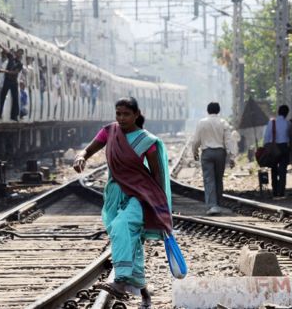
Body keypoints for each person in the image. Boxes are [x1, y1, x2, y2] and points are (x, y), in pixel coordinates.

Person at [73, 97, 172, 306]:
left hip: (140, 196)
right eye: (118, 113)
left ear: (136, 114)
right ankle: (144, 290)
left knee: (121, 226)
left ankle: (120, 279)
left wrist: (158, 208)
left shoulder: (147, 141)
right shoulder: (110, 131)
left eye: (126, 114)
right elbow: (89, 150)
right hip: (115, 194)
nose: (121, 118)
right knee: (128, 239)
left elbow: (157, 176)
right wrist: (81, 157)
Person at [192, 102, 235, 215]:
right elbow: (228, 140)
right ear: (218, 110)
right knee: (218, 179)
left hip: (207, 153)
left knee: (208, 179)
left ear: (208, 110)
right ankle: (219, 203)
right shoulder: (223, 123)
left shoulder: (202, 123)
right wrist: (231, 156)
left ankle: (212, 205)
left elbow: (196, 140)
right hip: (220, 153)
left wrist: (195, 151)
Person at [263, 104, 291, 198]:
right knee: (283, 170)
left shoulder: (272, 122)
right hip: (284, 147)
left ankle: (275, 192)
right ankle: (282, 192)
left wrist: (266, 148)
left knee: (274, 169)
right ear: (287, 113)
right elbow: (290, 137)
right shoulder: (288, 123)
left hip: (273, 147)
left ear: (278, 112)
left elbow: (267, 136)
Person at [0, 42, 23, 121]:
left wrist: (4, 71)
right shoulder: (11, 57)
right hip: (7, 80)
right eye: (18, 52)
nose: (19, 54)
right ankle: (0, 112)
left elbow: (15, 72)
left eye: (20, 53)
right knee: (3, 96)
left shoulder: (20, 64)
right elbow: (6, 51)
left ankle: (14, 115)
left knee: (15, 98)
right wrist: (0, 44)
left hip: (13, 81)